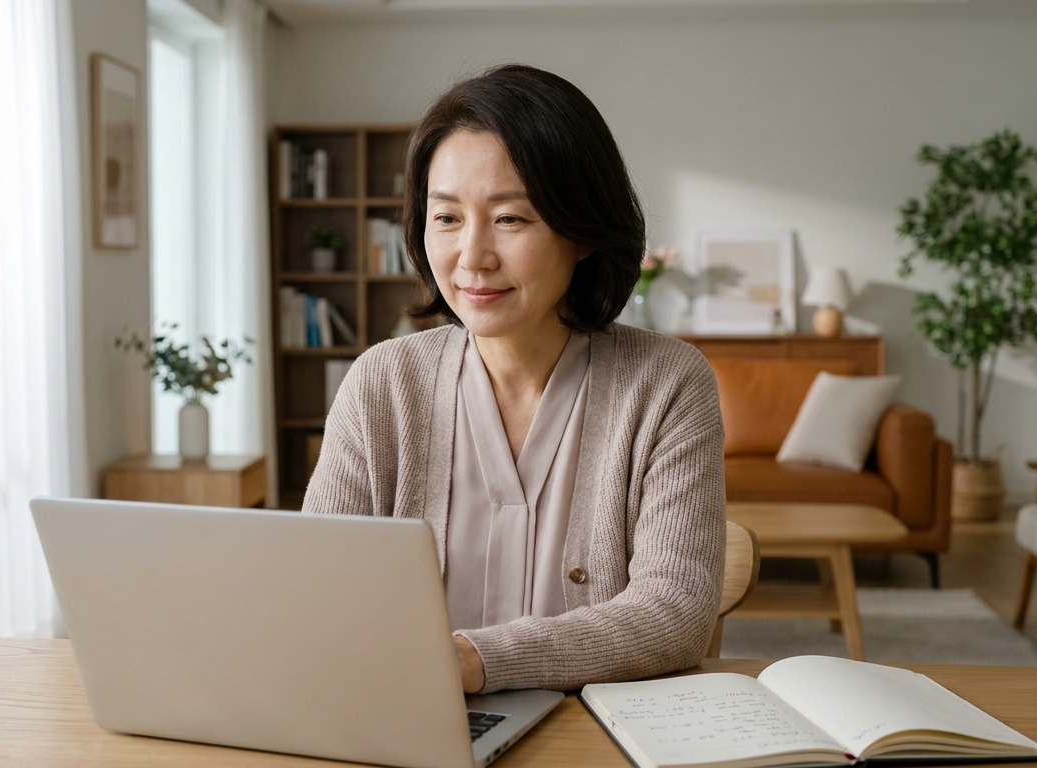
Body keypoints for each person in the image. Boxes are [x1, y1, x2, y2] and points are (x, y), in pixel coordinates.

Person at [302, 64, 724, 695]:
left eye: (511, 219)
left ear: (582, 231)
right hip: (409, 723)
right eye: (446, 218)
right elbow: (314, 590)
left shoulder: (666, 383)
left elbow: (675, 613)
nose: (472, 257)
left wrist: (479, 660)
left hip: (596, 734)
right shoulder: (382, 384)